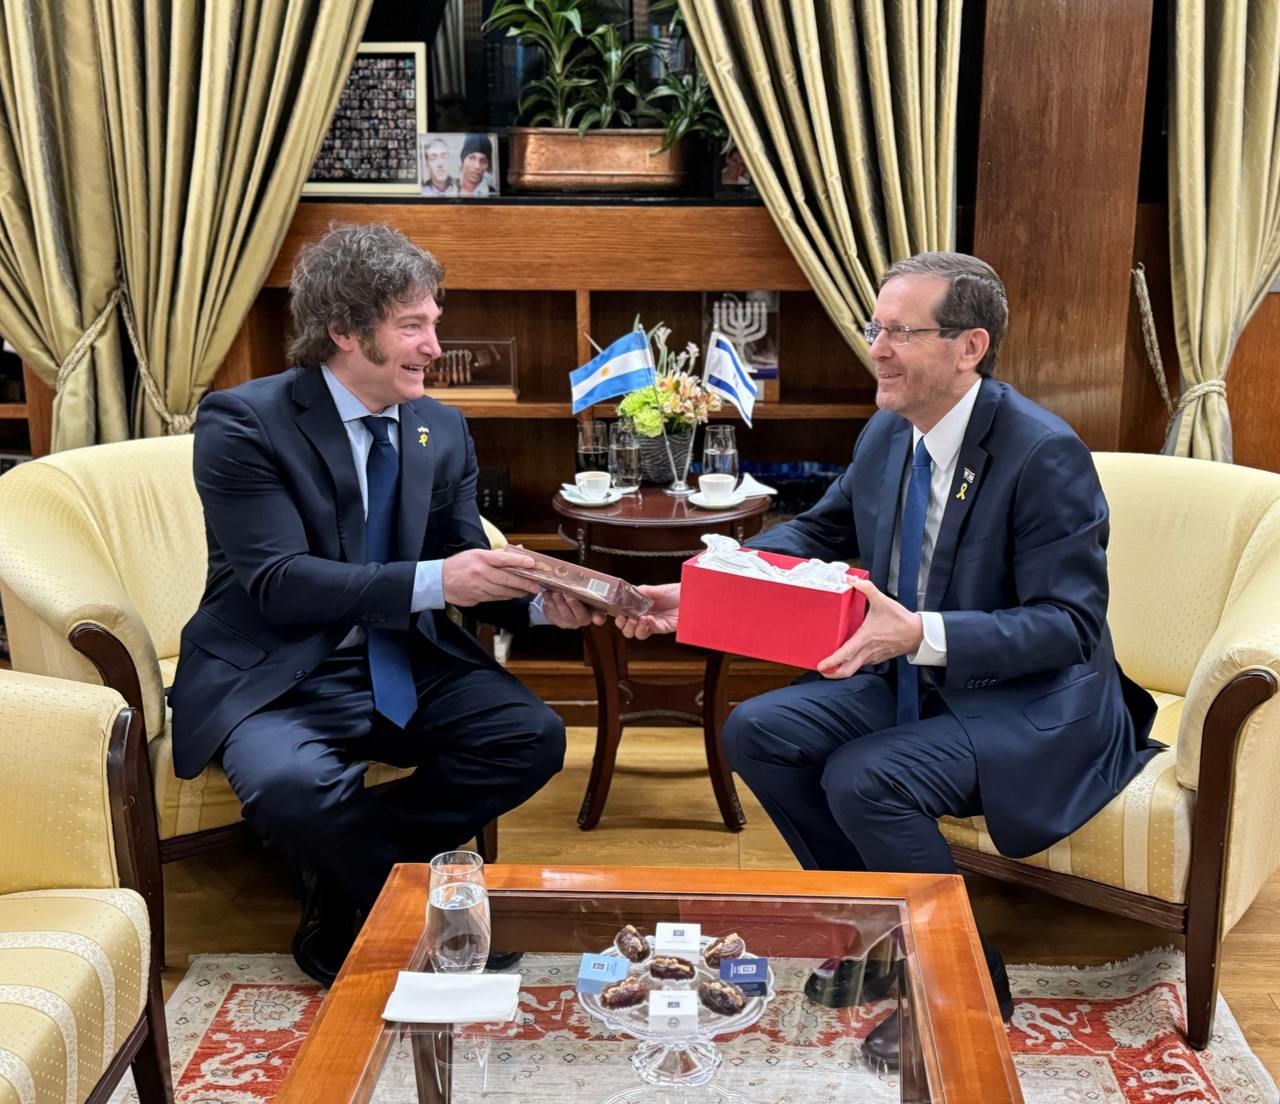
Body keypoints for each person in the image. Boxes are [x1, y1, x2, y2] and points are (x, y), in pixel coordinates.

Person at [615, 251, 1159, 1067]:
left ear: (969, 347)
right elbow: (824, 533)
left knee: (865, 777)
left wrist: (921, 633)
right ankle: (882, 939)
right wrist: (706, 584)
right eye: (877, 327)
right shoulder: (888, 430)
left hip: (1027, 701)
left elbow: (1068, 626)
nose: (875, 347)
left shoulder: (1042, 454)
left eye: (899, 332)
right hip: (915, 675)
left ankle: (968, 980)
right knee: (758, 730)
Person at [169, 223, 600, 986]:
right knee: (289, 789)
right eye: (412, 326)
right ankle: (423, 916)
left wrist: (542, 609)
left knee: (531, 737)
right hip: (281, 668)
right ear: (343, 331)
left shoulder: (441, 426)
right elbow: (277, 580)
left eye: (434, 321)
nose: (436, 346)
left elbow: (470, 559)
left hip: (405, 657)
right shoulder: (243, 421)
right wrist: (438, 582)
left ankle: (344, 887)